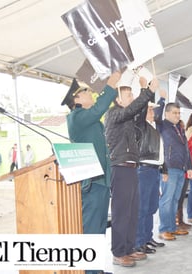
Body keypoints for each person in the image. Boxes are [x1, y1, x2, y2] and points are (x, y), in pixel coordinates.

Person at [61, 72, 121, 274]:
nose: (90, 94)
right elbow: (99, 108)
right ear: (76, 99)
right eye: (86, 92)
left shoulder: (88, 119)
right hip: (92, 183)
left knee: (99, 229)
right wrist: (111, 86)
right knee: (92, 231)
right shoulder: (76, 117)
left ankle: (95, 269)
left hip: (100, 181)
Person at [104, 77, 158, 267]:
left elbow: (138, 113)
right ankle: (118, 252)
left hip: (131, 167)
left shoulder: (126, 116)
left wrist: (145, 92)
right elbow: (132, 110)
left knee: (132, 211)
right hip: (119, 167)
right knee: (121, 212)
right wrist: (148, 91)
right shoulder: (113, 114)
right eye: (129, 95)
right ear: (119, 100)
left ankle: (128, 248)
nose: (132, 97)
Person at [134, 90, 168, 255]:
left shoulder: (154, 127)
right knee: (142, 207)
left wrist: (162, 99)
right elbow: (142, 110)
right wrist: (148, 92)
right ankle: (139, 241)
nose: (153, 112)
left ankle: (147, 238)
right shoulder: (140, 125)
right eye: (149, 110)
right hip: (144, 169)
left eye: (153, 110)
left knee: (151, 207)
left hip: (154, 170)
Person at [155, 103, 192, 241]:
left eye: (179, 113)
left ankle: (172, 227)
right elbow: (156, 113)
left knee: (175, 200)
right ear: (167, 113)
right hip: (168, 168)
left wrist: (189, 167)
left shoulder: (180, 128)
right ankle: (164, 229)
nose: (177, 115)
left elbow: (186, 150)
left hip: (181, 169)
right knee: (167, 199)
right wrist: (162, 99)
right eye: (174, 113)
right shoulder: (162, 125)